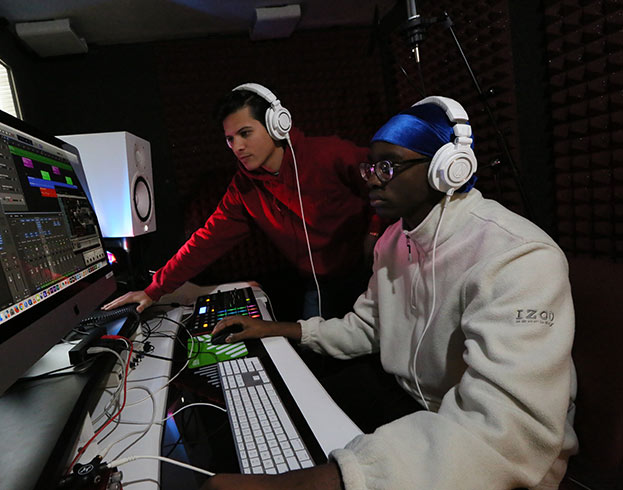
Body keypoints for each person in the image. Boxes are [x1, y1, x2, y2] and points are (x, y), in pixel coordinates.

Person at [205, 96, 578, 490]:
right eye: (370, 165)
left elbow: (508, 432)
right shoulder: (393, 240)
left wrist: (319, 482)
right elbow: (366, 327)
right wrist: (279, 329)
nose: (370, 177)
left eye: (388, 166)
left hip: (489, 448)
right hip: (410, 403)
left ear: (446, 170)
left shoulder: (516, 256)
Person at [103, 83, 376, 319]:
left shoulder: (329, 153)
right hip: (318, 284)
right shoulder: (243, 189)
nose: (237, 146)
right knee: (318, 353)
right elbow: (205, 242)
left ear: (277, 124)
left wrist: (375, 234)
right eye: (230, 139)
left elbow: (389, 179)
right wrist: (153, 290)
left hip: (371, 269)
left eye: (245, 133)